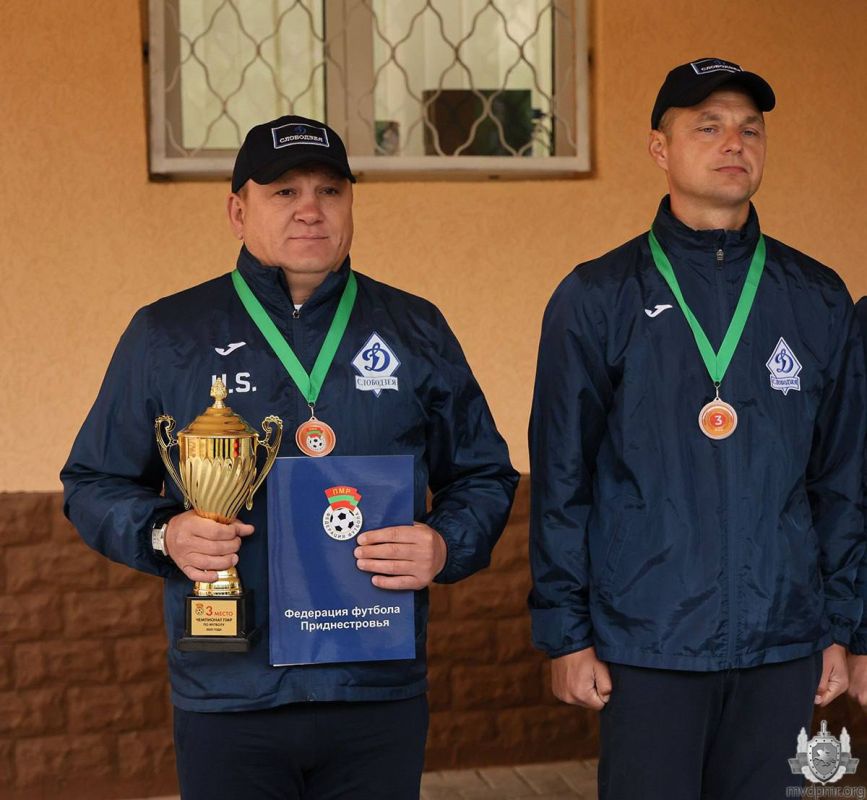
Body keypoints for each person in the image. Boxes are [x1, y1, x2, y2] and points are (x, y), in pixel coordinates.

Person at [61, 114, 518, 800]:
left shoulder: (415, 327)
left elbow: (481, 472)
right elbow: (93, 480)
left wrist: (446, 545)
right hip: (230, 688)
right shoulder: (168, 333)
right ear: (237, 210)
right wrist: (164, 533)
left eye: (330, 191)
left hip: (374, 684)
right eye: (284, 192)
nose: (310, 209)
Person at [529, 58, 865, 798]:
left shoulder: (814, 295)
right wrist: (566, 634)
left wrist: (842, 627)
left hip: (783, 640)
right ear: (660, 149)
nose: (732, 143)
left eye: (749, 129)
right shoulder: (597, 295)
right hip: (645, 641)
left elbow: (840, 479)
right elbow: (560, 478)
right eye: (707, 126)